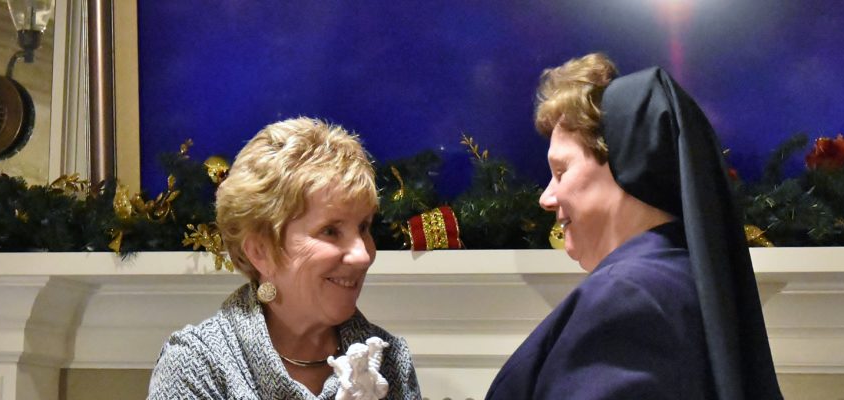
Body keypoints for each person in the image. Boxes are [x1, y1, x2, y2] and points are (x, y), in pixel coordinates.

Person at [485, 53, 783, 399]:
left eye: (561, 171)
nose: (546, 198)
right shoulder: (678, 281)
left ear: (625, 166)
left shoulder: (629, 296)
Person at [148, 117, 421, 399]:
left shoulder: (390, 362)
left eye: (364, 227)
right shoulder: (197, 366)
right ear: (260, 251)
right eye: (330, 231)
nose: (363, 256)